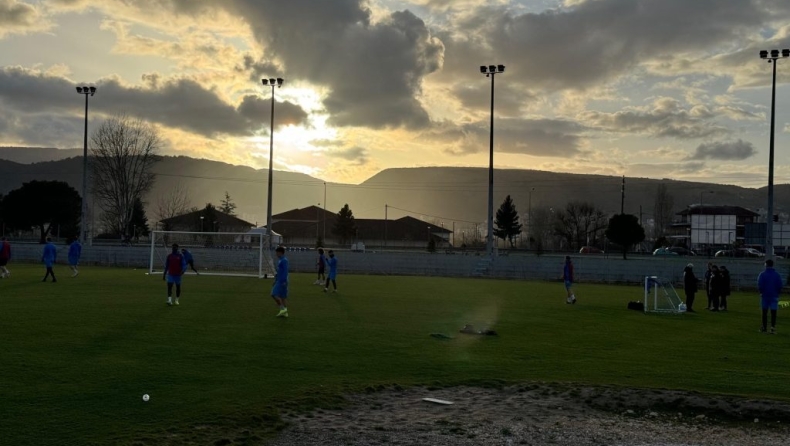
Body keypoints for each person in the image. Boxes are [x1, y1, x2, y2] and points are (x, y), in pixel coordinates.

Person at [758, 259, 782, 334]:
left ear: (766, 264)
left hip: (765, 295)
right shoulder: (777, 275)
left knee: (764, 312)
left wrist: (761, 292)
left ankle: (764, 328)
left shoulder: (762, 274)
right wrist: (777, 292)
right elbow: (780, 285)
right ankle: (772, 328)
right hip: (774, 295)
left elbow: (760, 285)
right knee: (773, 312)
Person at [272, 246, 289, 317]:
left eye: (277, 252)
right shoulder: (280, 260)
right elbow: (279, 272)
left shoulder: (284, 260)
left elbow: (285, 271)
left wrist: (284, 281)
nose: (276, 254)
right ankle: (285, 313)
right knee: (282, 297)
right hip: (279, 280)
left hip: (282, 281)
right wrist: (275, 279)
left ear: (280, 252)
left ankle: (282, 309)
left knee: (273, 294)